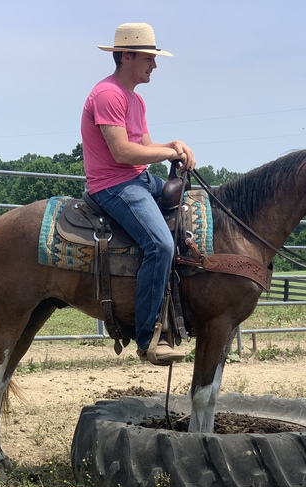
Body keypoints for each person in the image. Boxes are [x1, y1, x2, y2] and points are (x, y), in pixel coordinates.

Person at [81, 22, 196, 366]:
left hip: (139, 179)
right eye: (149, 58)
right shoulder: (107, 94)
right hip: (113, 185)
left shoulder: (135, 99)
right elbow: (122, 153)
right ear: (127, 56)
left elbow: (145, 147)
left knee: (194, 209)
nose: (154, 65)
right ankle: (148, 338)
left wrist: (173, 144)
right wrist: (170, 153)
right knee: (160, 245)